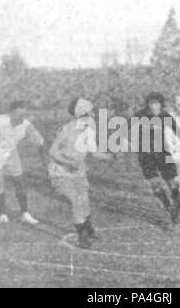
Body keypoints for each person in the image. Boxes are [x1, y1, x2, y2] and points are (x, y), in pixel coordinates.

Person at [48, 98, 113, 249]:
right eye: (90, 112)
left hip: (78, 172)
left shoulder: (89, 129)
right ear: (82, 113)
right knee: (77, 200)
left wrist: (110, 155)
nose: (93, 114)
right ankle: (82, 236)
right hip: (60, 172)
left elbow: (95, 152)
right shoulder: (67, 129)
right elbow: (52, 151)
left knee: (84, 200)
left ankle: (88, 229)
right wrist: (68, 162)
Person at [0, 100, 46, 224]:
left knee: (19, 181)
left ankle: (25, 213)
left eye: (25, 115)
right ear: (11, 113)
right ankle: (2, 214)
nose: (22, 118)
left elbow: (39, 140)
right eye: (20, 115)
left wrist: (44, 150)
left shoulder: (26, 125)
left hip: (10, 151)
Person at [131, 92, 180, 224]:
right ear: (148, 105)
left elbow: (179, 133)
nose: (155, 106)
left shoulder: (165, 116)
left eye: (158, 103)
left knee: (172, 183)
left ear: (162, 105)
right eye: (152, 103)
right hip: (146, 155)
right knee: (155, 184)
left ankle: (177, 200)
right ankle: (169, 208)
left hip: (163, 153)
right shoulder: (139, 115)